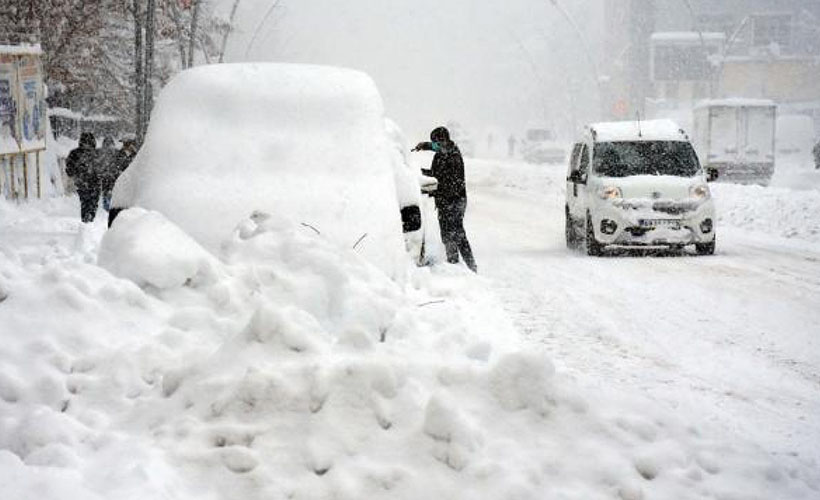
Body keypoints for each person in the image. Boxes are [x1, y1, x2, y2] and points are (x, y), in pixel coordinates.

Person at [412, 126, 477, 272]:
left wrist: (433, 189)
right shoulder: (444, 152)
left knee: (457, 233)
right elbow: (436, 173)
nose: (435, 145)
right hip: (445, 201)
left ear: (443, 140)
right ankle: (453, 263)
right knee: (447, 233)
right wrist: (418, 171)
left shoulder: (453, 156)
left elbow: (445, 182)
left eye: (435, 142)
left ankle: (470, 267)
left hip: (454, 201)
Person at [65, 132, 101, 223]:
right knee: (93, 203)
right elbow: (102, 168)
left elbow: (69, 170)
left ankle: (86, 220)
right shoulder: (96, 153)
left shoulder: (74, 153)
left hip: (81, 182)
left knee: (85, 202)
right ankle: (90, 219)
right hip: (95, 183)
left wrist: (75, 175)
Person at [106, 138, 138, 228]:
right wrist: (109, 188)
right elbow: (111, 172)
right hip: (119, 190)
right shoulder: (118, 156)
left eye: (129, 144)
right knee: (115, 218)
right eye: (125, 144)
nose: (127, 146)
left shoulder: (137, 157)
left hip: (131, 192)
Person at [98, 136, 119, 210]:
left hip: (105, 175)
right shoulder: (116, 151)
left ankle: (106, 205)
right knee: (113, 190)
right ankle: (111, 203)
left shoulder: (101, 152)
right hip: (114, 175)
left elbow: (98, 163)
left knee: (105, 190)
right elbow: (119, 162)